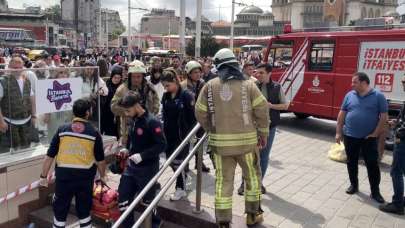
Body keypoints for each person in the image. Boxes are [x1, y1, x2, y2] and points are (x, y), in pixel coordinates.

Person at [195, 48, 269, 227]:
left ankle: (223, 222)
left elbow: (200, 112)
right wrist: (263, 133)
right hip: (247, 146)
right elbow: (262, 110)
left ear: (218, 66)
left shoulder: (210, 86)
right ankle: (252, 215)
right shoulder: (249, 85)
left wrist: (211, 129)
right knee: (252, 178)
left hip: (220, 147)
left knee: (223, 182)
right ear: (235, 64)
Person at [39, 99, 106, 228]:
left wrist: (43, 177)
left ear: (73, 113)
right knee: (84, 211)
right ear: (88, 113)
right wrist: (103, 176)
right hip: (84, 179)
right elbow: (101, 161)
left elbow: (49, 156)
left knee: (60, 213)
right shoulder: (94, 133)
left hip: (64, 179)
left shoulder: (62, 130)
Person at [238, 63, 289, 195]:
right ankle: (244, 183)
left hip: (269, 127)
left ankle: (259, 182)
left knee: (264, 156)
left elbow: (285, 106)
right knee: (249, 156)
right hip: (252, 127)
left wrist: (271, 106)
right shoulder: (252, 86)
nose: (257, 75)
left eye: (261, 73)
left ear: (269, 73)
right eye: (257, 72)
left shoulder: (277, 87)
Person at [116, 91, 166, 228]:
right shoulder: (134, 120)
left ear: (137, 105)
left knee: (147, 202)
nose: (126, 114)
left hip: (148, 168)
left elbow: (162, 145)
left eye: (128, 110)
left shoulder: (152, 122)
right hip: (131, 167)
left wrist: (142, 156)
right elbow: (133, 139)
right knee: (123, 198)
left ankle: (155, 223)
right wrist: (127, 149)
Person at [336, 72, 387, 203]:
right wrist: (338, 132)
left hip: (368, 138)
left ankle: (375, 192)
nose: (351, 85)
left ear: (364, 83)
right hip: (350, 136)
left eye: (355, 82)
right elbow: (341, 114)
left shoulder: (378, 96)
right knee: (351, 162)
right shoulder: (349, 95)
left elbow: (384, 117)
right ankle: (354, 185)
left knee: (372, 164)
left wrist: (375, 133)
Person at [161, 68, 196, 201]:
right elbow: (163, 113)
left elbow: (193, 117)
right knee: (170, 161)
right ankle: (183, 178)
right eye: (164, 86)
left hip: (182, 135)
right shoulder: (166, 96)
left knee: (179, 162)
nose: (166, 88)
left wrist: (191, 135)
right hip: (168, 134)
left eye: (168, 85)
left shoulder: (186, 95)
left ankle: (180, 188)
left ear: (175, 81)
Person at [111, 60, 159, 145]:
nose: (136, 79)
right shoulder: (122, 89)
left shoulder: (149, 87)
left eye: (138, 76)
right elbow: (113, 106)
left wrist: (150, 117)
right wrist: (128, 111)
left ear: (143, 76)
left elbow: (156, 104)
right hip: (129, 130)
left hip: (147, 128)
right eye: (133, 77)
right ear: (129, 76)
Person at [379, 75, 405, 215]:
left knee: (396, 171)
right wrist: (396, 122)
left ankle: (397, 205)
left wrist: (397, 129)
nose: (402, 83)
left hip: (403, 142)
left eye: (404, 81)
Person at [0, 57, 36, 152]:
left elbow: (32, 98)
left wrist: (34, 115)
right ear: (9, 67)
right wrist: (1, 121)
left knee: (26, 149)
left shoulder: (26, 80)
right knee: (9, 152)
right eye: (15, 68)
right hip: (9, 122)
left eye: (20, 67)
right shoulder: (3, 81)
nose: (18, 70)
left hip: (26, 121)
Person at [182, 60, 211, 173]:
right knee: (186, 143)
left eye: (199, 72)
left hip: (200, 118)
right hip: (187, 118)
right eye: (194, 72)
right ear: (189, 73)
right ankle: (185, 164)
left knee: (199, 141)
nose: (198, 74)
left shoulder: (203, 83)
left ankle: (199, 162)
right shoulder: (183, 85)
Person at [100, 66, 122, 137]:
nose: (116, 80)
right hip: (105, 114)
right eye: (115, 77)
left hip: (116, 116)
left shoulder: (122, 87)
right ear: (112, 76)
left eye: (119, 78)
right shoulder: (106, 85)